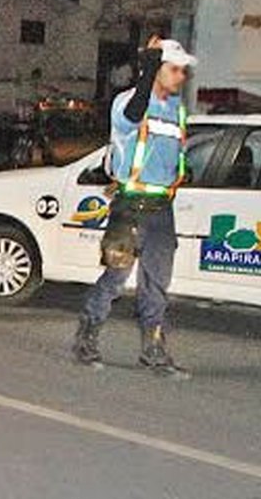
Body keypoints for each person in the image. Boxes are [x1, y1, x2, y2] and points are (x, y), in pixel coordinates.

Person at [72, 36, 196, 376]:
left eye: (183, 70)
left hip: (161, 209)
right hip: (129, 206)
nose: (181, 76)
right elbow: (132, 116)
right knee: (115, 276)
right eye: (175, 69)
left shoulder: (178, 111)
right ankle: (87, 337)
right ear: (156, 69)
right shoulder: (128, 102)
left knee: (157, 283)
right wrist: (149, 67)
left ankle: (153, 350)